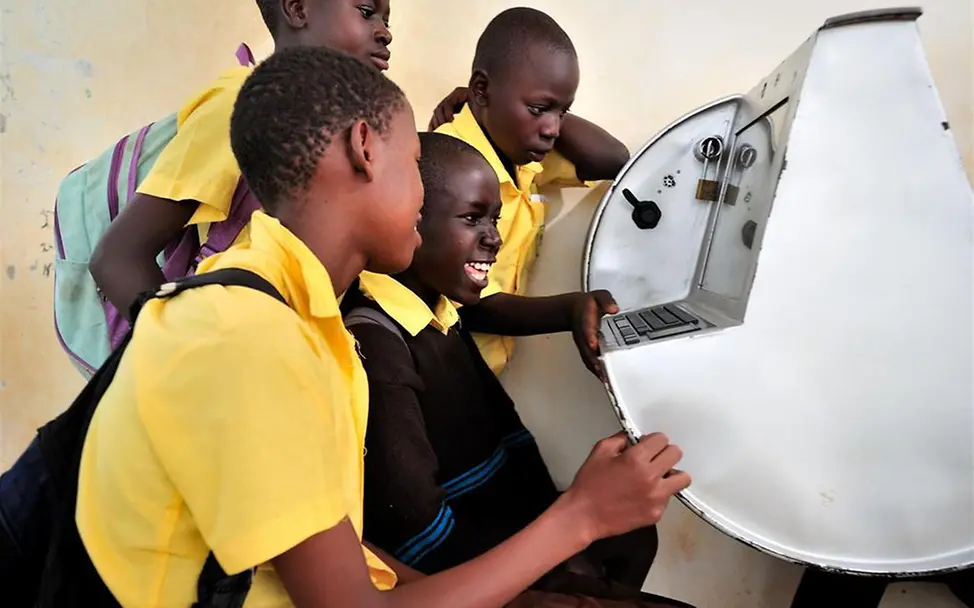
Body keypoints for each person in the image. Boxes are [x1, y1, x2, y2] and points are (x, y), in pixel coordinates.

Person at [75, 45, 691, 607]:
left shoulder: (307, 316)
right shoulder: (249, 335)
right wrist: (581, 517)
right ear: (366, 148)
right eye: (416, 163)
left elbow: (347, 556)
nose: (424, 198)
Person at [343, 133, 691, 607]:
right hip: (469, 573)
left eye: (495, 219)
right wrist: (555, 558)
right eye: (473, 218)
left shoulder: (440, 314)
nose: (495, 238)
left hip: (508, 536)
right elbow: (417, 533)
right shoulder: (377, 345)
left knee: (634, 538)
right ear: (411, 219)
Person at [88, 0, 395, 317]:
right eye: (366, 12)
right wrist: (181, 342)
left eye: (387, 21)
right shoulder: (238, 108)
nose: (385, 33)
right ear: (297, 9)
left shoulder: (339, 131)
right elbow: (117, 257)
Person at [431, 7, 630, 377]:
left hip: (483, 372)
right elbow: (466, 303)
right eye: (538, 108)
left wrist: (548, 108)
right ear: (481, 89)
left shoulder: (520, 155)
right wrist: (567, 310)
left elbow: (613, 159)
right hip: (442, 372)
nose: (553, 129)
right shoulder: (448, 166)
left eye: (562, 113)